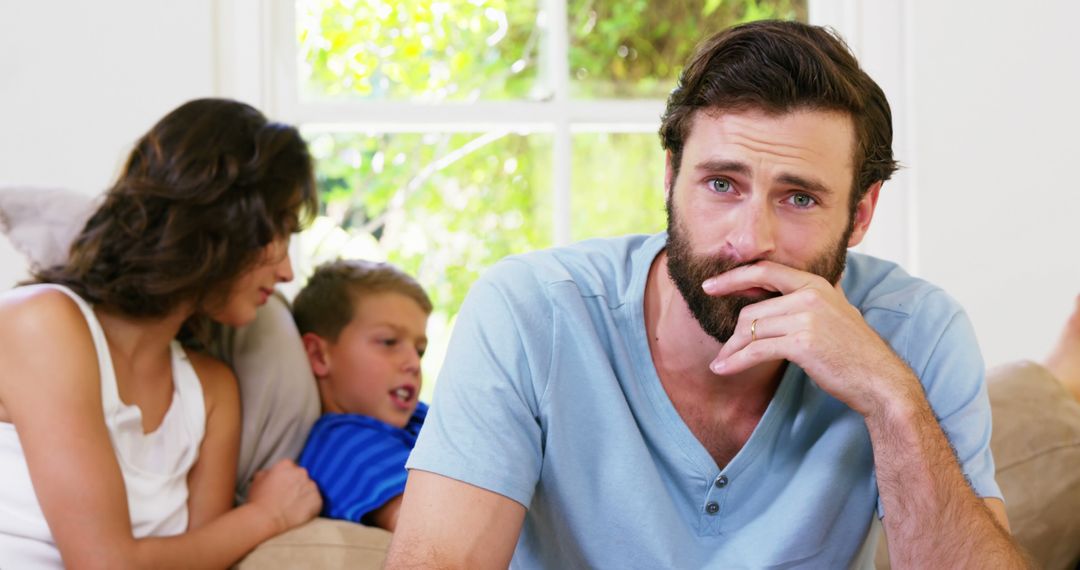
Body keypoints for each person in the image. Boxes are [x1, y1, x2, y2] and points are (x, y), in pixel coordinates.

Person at [385, 20, 1029, 568]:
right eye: (722, 184)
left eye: (799, 198)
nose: (749, 239)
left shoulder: (917, 328)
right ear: (670, 178)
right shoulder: (528, 312)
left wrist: (890, 399)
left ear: (861, 214)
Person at [0, 98, 323, 568]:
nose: (288, 271)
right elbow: (103, 563)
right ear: (221, 221)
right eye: (280, 232)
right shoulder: (42, 324)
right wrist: (266, 516)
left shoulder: (213, 394)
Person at [292, 259, 431, 531]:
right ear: (320, 355)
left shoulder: (415, 418)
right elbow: (421, 526)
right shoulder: (346, 445)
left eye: (420, 350)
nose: (413, 363)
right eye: (389, 342)